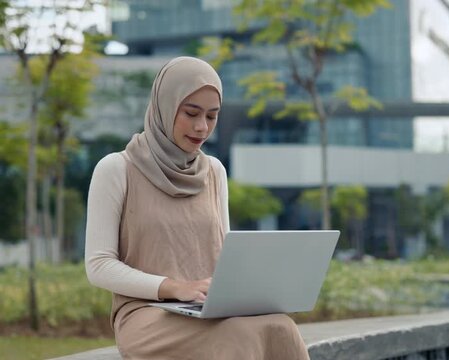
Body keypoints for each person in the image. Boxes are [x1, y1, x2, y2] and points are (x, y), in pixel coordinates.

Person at [85, 56, 310, 359]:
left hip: (206, 308)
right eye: (190, 113)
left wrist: (246, 291)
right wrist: (174, 287)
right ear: (165, 106)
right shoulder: (117, 169)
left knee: (280, 326)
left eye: (212, 116)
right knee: (238, 337)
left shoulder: (214, 171)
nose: (202, 127)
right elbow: (98, 266)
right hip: (147, 314)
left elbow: (224, 252)